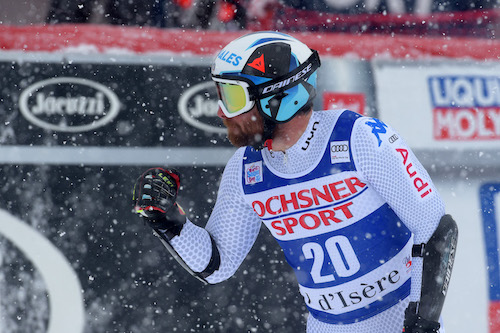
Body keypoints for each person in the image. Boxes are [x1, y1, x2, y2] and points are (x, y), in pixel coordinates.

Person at [132, 31, 458, 332]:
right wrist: (168, 219)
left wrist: (421, 322)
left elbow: (437, 229)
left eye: (231, 97)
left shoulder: (359, 138)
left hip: (395, 319)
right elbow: (218, 265)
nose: (220, 112)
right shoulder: (244, 169)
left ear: (278, 98)